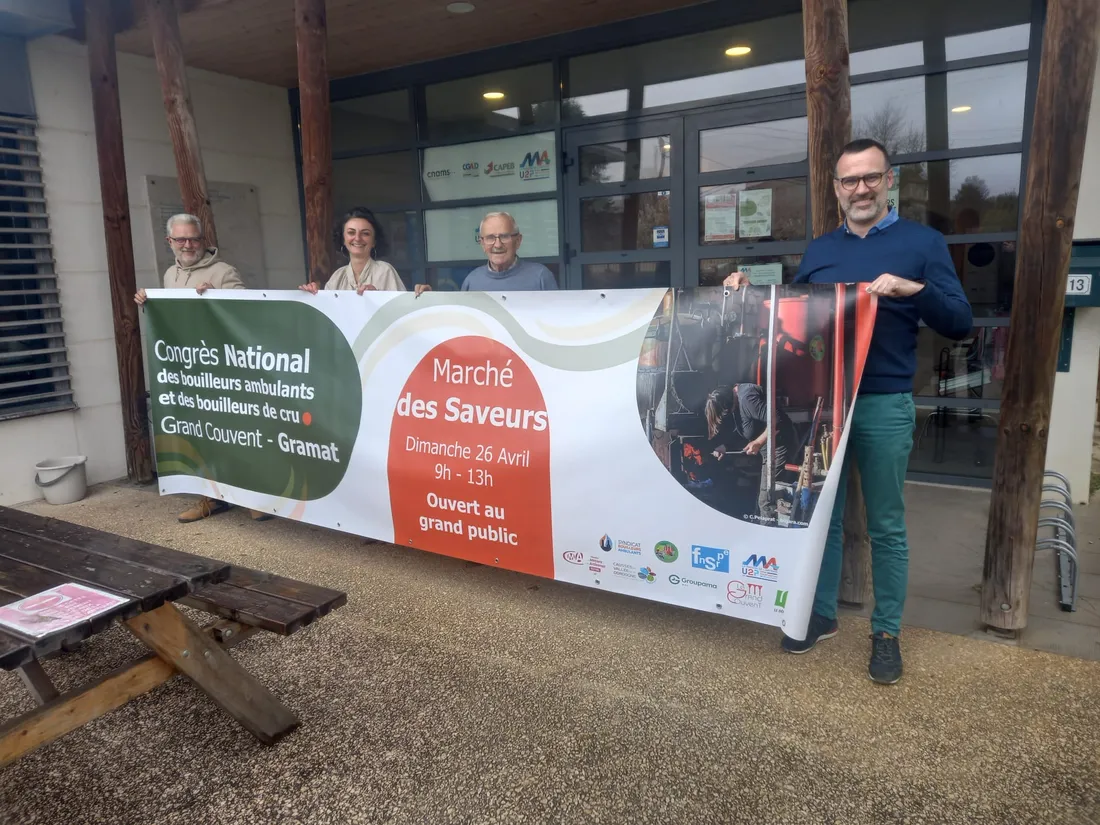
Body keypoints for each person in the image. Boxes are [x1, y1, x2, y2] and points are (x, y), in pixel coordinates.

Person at [724, 138, 973, 685]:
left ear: (889, 181)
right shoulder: (821, 250)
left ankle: (886, 633)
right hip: (827, 401)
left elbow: (959, 321)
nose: (860, 188)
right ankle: (823, 616)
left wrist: (915, 289)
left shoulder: (922, 243)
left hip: (883, 401)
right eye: (849, 181)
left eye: (870, 178)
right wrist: (747, 292)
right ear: (837, 189)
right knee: (824, 517)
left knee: (886, 525)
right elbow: (796, 312)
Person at [134, 213, 271, 525]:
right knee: (204, 436)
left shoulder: (223, 272)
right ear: (169, 242)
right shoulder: (170, 275)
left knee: (236, 435)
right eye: (180, 239)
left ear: (203, 241)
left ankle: (252, 497)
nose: (187, 245)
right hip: (191, 372)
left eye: (193, 239)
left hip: (224, 371)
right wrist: (148, 302)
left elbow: (245, 313)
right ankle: (211, 498)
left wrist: (219, 298)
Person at [705, 384, 797, 525]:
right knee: (762, 500)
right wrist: (725, 446)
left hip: (779, 447)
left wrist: (758, 442)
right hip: (768, 451)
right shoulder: (737, 400)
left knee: (766, 501)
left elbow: (777, 420)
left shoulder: (747, 399)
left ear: (728, 403)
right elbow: (746, 430)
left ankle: (769, 539)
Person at [299, 207, 430, 296]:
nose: (357, 238)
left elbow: (400, 312)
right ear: (343, 239)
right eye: (351, 232)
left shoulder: (385, 271)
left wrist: (377, 297)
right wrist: (313, 297)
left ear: (374, 241)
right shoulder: (337, 277)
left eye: (365, 233)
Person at [461, 212, 558, 291]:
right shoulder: (472, 281)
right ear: (482, 244)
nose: (498, 245)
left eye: (504, 236)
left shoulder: (540, 277)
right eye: (490, 238)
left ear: (518, 241)